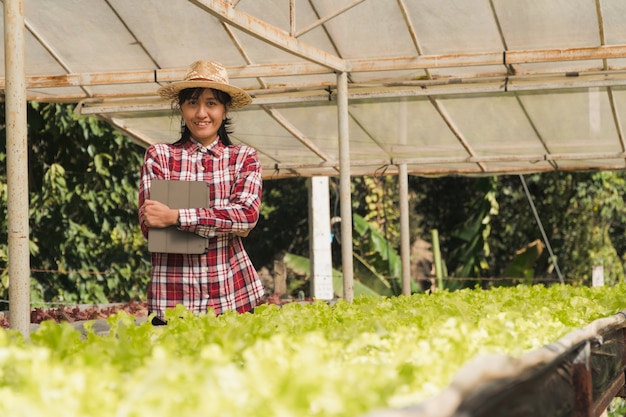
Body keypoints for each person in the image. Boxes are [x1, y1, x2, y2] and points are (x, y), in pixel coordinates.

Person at [138, 60, 264, 325]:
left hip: (231, 297)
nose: (201, 113)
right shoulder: (160, 156)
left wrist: (177, 217)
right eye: (192, 102)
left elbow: (247, 216)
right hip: (172, 299)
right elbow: (151, 225)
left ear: (225, 109)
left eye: (211, 103)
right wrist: (220, 220)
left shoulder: (242, 158)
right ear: (182, 108)